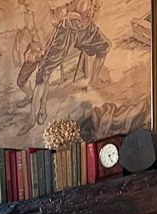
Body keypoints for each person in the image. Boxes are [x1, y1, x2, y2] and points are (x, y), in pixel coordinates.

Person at [25, 0, 112, 128]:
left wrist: (92, 9)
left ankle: (93, 81)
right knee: (43, 72)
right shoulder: (39, 9)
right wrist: (66, 15)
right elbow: (59, 11)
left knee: (105, 45)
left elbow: (87, 13)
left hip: (85, 29)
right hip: (67, 31)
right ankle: (34, 116)